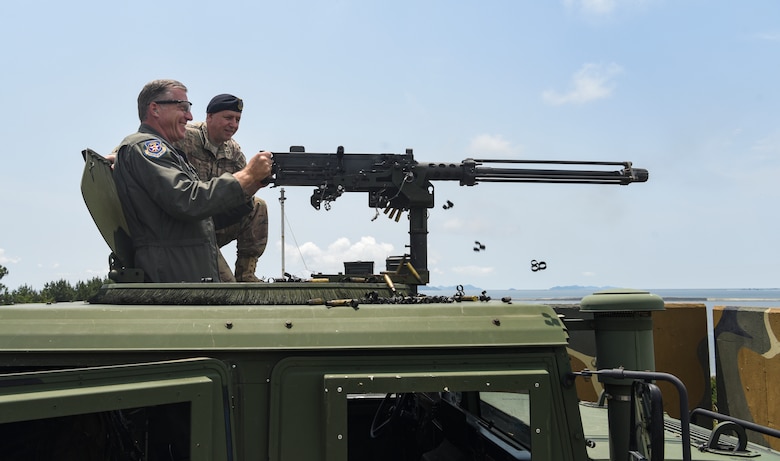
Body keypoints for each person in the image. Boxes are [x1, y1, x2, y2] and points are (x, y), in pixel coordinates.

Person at [113, 79, 273, 283]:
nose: (189, 116)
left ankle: (246, 274)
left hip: (188, 247)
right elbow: (187, 200)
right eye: (183, 107)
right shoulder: (148, 147)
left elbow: (201, 213)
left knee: (256, 205)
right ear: (155, 109)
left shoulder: (171, 149)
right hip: (175, 262)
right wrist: (248, 175)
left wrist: (252, 185)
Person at [175, 94, 268, 282]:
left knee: (257, 205)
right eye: (228, 118)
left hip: (213, 223)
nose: (233, 124)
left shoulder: (233, 151)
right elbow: (149, 144)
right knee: (226, 288)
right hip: (186, 226)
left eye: (237, 120)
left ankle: (246, 274)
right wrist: (116, 156)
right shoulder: (185, 135)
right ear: (209, 117)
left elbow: (244, 187)